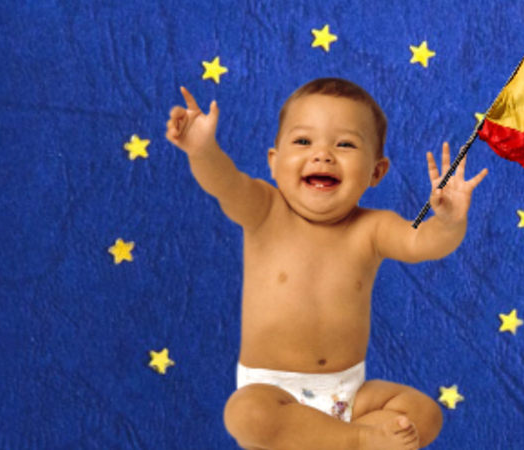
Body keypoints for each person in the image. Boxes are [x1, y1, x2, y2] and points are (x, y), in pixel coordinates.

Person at [166, 78, 487, 450]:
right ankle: (359, 441)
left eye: (345, 144)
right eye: (303, 141)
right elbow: (225, 184)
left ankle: (338, 439)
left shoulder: (373, 228)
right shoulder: (264, 210)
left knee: (424, 413)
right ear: (274, 162)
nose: (323, 155)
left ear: (376, 172)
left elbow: (422, 243)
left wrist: (449, 222)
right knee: (245, 414)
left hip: (347, 393)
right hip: (273, 392)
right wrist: (203, 151)